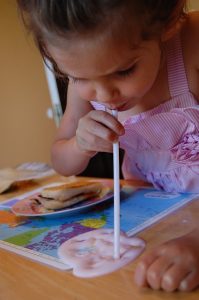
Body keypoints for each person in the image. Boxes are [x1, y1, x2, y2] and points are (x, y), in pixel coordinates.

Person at [17, 0, 199, 292]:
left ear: (168, 23)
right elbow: (62, 162)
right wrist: (80, 144)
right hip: (155, 220)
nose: (104, 95)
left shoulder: (193, 43)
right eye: (77, 77)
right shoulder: (88, 84)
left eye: (124, 70)